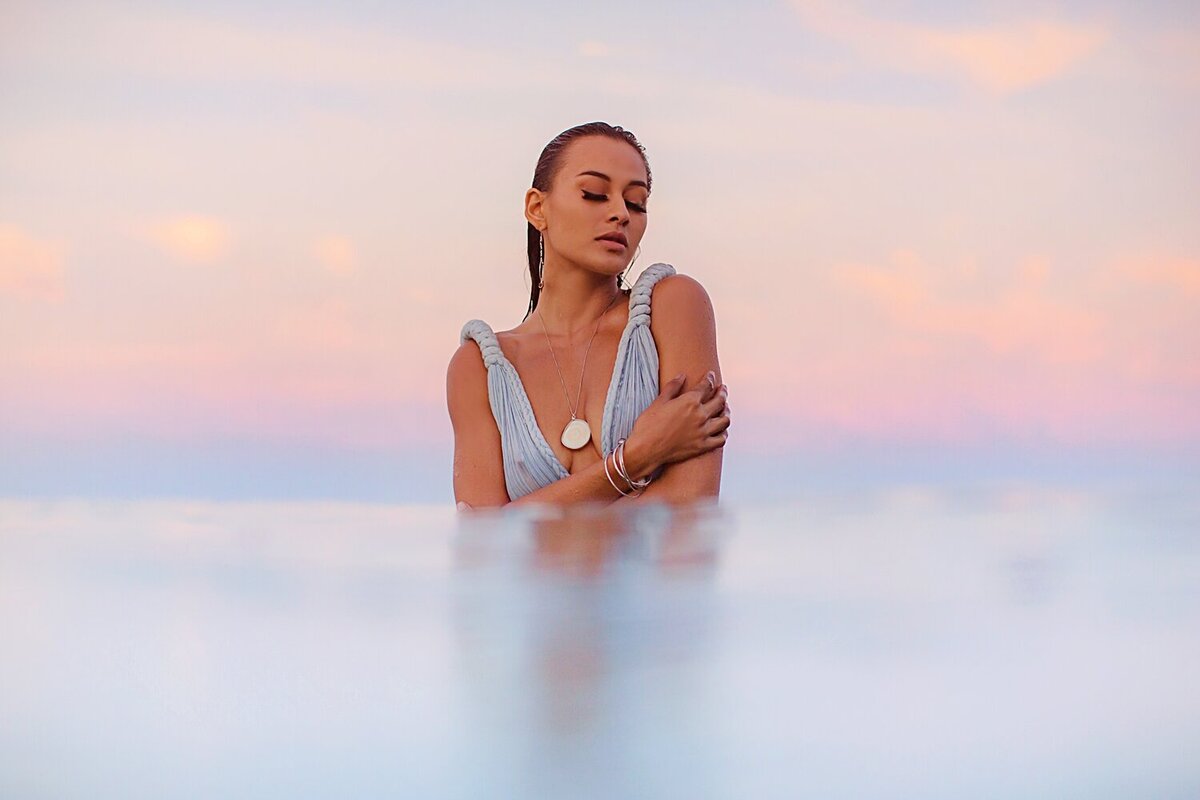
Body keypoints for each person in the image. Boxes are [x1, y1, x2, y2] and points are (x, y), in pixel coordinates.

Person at [447, 122, 730, 510]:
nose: (620, 214)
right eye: (594, 194)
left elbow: (687, 513)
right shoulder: (478, 368)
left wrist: (532, 520)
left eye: (636, 203)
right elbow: (484, 544)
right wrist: (634, 459)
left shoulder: (673, 308)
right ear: (537, 208)